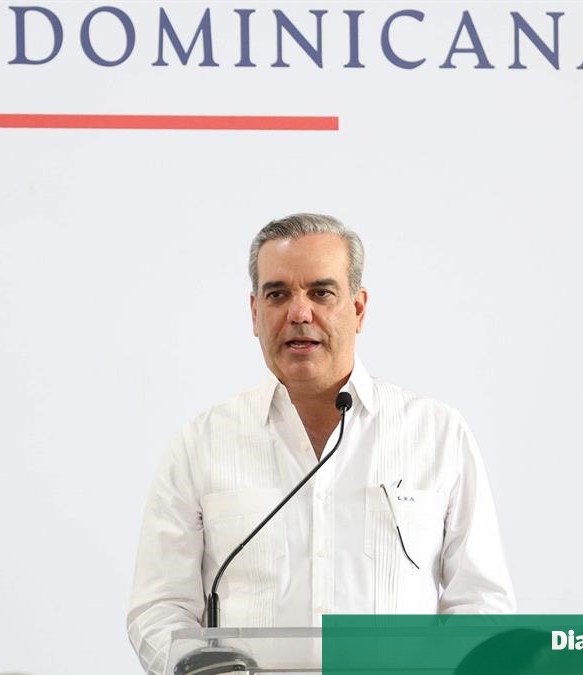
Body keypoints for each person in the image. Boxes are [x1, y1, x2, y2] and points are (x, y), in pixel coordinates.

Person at [126, 213, 516, 675]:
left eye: (321, 292)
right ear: (254, 313)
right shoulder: (201, 444)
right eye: (277, 294)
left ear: (359, 308)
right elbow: (158, 608)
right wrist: (197, 666)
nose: (298, 313)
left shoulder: (437, 434)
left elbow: (483, 604)